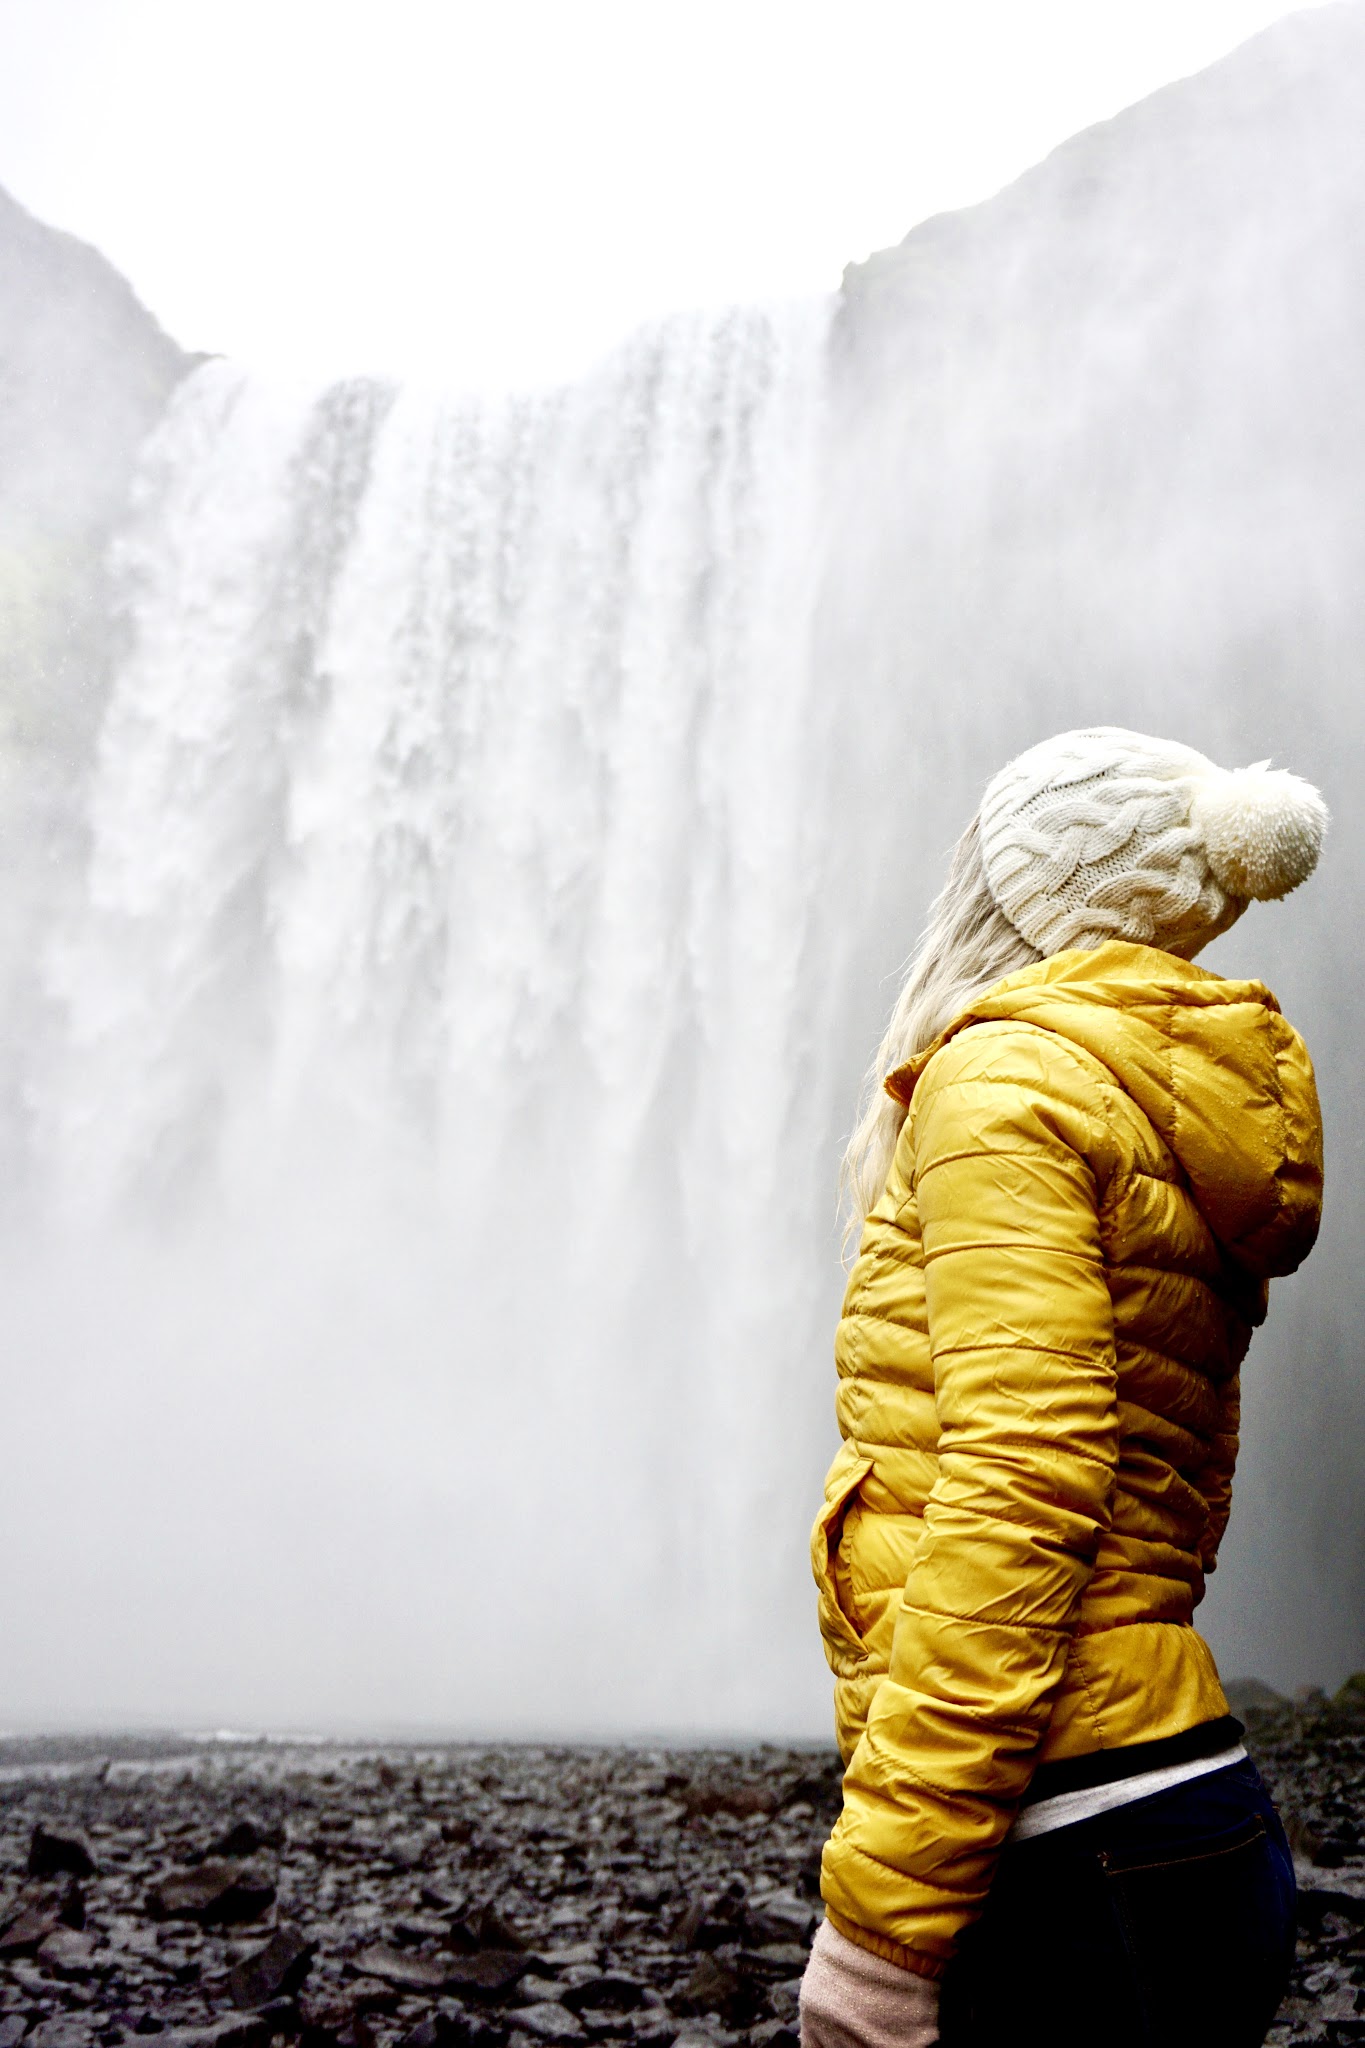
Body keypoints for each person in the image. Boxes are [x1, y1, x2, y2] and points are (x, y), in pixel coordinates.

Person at [798, 728, 1328, 2048]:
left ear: (1023, 885)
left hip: (1075, 1840)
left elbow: (1019, 1490)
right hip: (1173, 1817)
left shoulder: (1006, 1082)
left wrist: (881, 1926)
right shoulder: (1153, 1098)